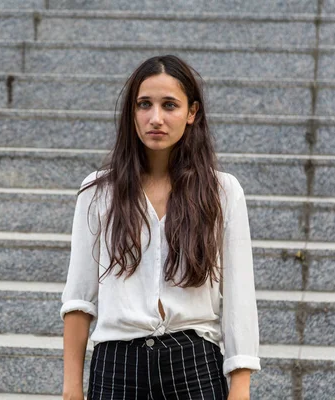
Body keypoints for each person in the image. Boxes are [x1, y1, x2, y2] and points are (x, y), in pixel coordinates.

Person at [61, 55, 260, 400]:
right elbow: (79, 298)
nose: (156, 118)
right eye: (144, 105)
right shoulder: (98, 192)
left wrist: (240, 386)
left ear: (192, 112)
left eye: (170, 105)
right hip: (116, 366)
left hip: (193, 363)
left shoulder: (222, 192)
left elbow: (240, 296)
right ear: (132, 112)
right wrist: (71, 388)